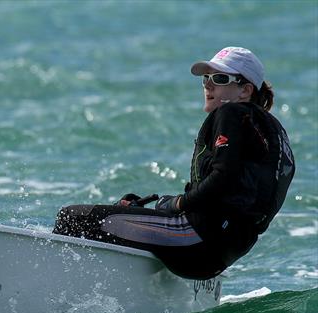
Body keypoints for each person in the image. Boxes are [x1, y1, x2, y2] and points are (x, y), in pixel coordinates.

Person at [52, 46, 295, 280]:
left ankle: (64, 294)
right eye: (206, 78)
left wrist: (178, 203)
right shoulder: (273, 131)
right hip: (222, 252)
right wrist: (163, 205)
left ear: (245, 91)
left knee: (73, 218)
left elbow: (224, 177)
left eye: (220, 78)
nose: (209, 85)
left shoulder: (230, 113)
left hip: (196, 239)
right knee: (133, 214)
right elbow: (235, 195)